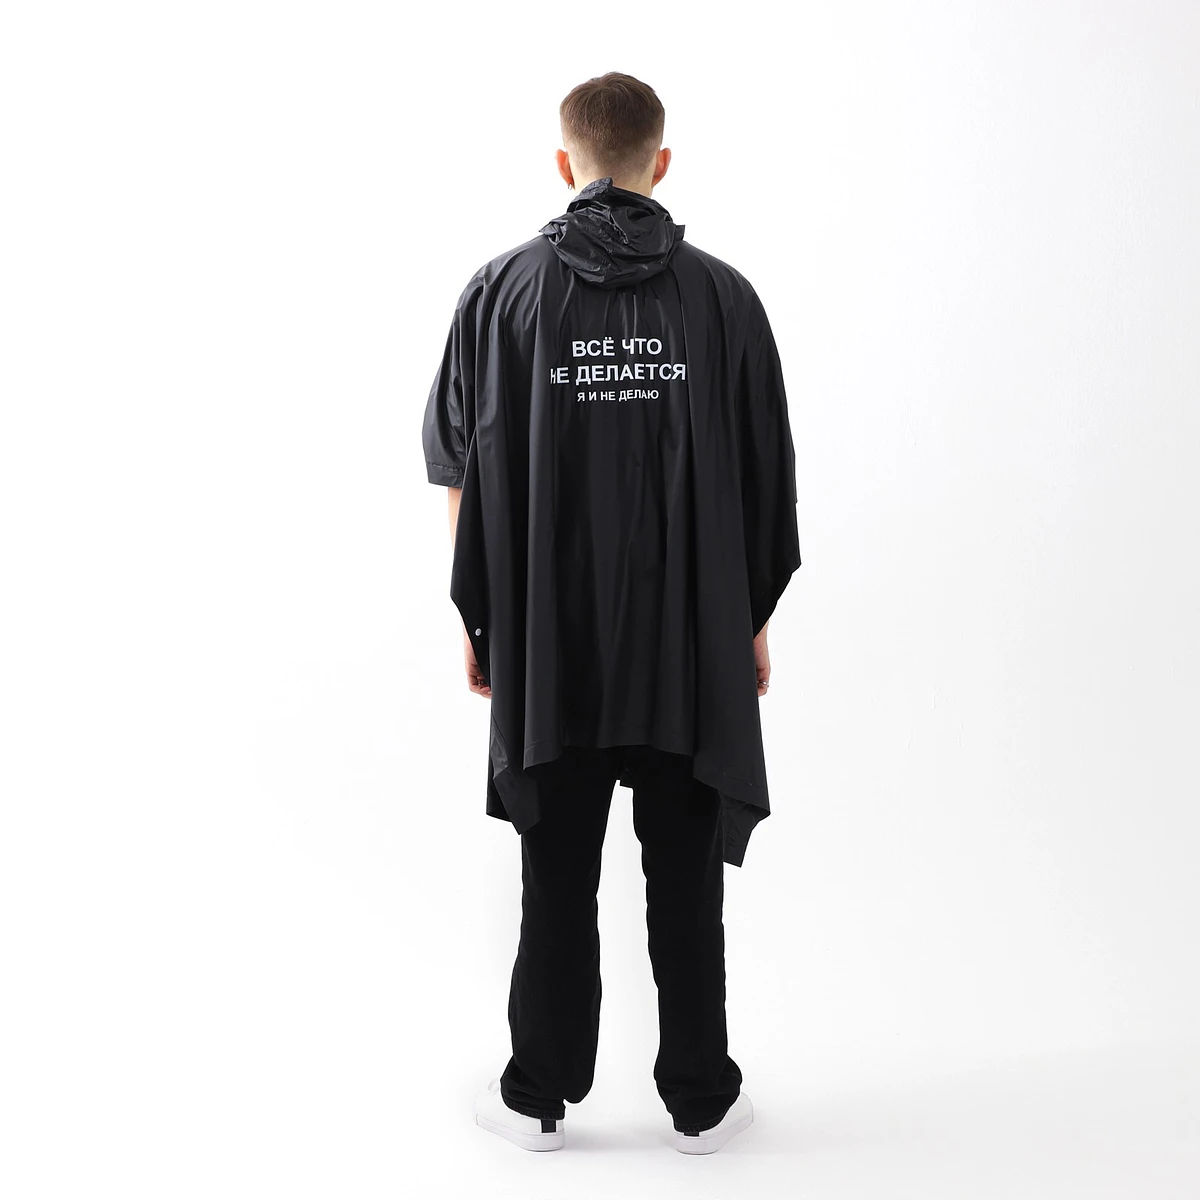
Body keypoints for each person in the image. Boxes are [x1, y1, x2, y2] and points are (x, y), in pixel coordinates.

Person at [422, 72, 801, 1154]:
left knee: (555, 875)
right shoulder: (724, 299)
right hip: (687, 647)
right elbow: (765, 477)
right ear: (660, 164)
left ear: (564, 162)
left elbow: (460, 465)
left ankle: (538, 1093)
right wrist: (747, 624)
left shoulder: (500, 292)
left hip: (555, 647)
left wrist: (482, 619)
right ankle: (701, 1102)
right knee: (683, 876)